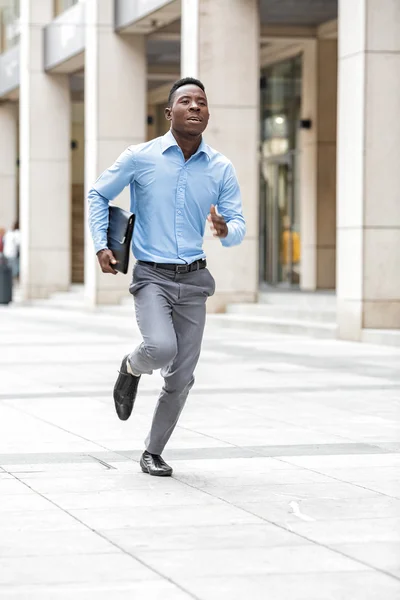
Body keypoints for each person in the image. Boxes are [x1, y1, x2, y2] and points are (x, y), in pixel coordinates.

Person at [88, 77, 245, 476]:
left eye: (202, 102)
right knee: (160, 348)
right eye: (186, 101)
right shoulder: (140, 157)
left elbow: (238, 221)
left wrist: (227, 231)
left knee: (181, 377)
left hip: (194, 280)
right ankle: (131, 367)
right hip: (152, 277)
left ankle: (153, 451)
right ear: (168, 112)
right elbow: (98, 194)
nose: (195, 107)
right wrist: (100, 243)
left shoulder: (221, 167)